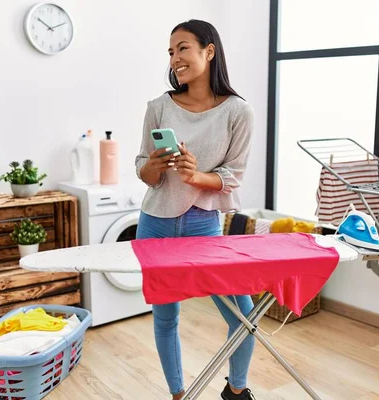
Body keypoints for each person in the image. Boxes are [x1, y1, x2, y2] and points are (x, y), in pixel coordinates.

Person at [134, 19, 256, 400]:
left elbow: (233, 176)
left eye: (182, 47)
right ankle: (178, 394)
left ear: (209, 51)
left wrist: (196, 175)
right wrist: (154, 167)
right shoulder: (158, 107)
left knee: (244, 317)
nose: (175, 58)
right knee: (166, 317)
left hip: (204, 225)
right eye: (171, 52)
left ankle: (236, 390)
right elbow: (143, 167)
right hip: (154, 223)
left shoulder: (239, 112)